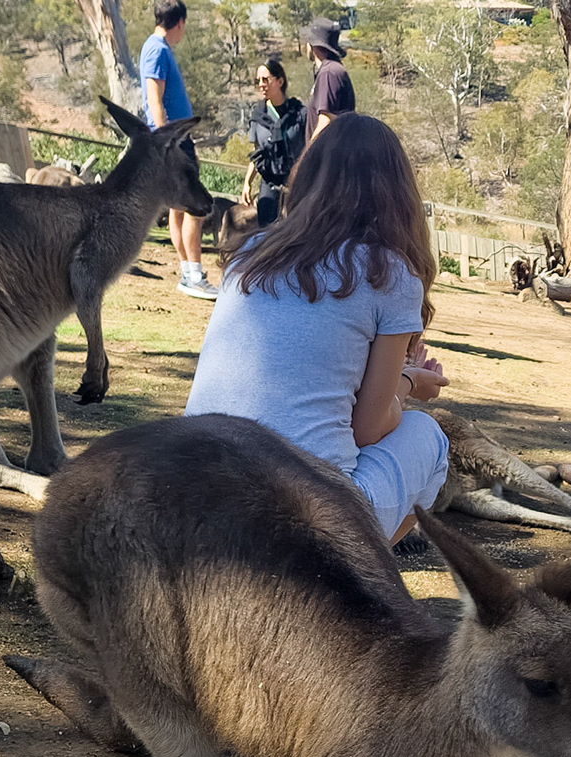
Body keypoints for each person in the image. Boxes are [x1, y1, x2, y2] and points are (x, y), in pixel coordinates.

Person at [186, 113, 449, 542]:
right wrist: (408, 383)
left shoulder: (251, 252)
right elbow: (368, 429)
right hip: (306, 519)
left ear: (309, 177)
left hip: (195, 485)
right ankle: (353, 574)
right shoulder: (391, 274)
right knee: (430, 437)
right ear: (398, 194)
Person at [140, 0, 216, 301]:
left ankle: (187, 273)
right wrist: (166, 142)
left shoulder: (158, 48)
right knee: (195, 206)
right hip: (173, 141)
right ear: (180, 22)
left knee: (178, 208)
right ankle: (194, 274)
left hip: (177, 139)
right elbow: (154, 98)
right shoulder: (157, 49)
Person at [242, 56, 306, 227]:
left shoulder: (299, 114)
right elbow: (257, 153)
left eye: (266, 79)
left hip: (295, 185)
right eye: (258, 81)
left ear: (280, 81)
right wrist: (247, 183)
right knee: (265, 232)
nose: (261, 85)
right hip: (269, 184)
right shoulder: (258, 116)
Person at [299, 17, 355, 143]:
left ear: (313, 45)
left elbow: (326, 120)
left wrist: (308, 152)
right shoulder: (333, 70)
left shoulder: (328, 73)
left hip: (329, 154)